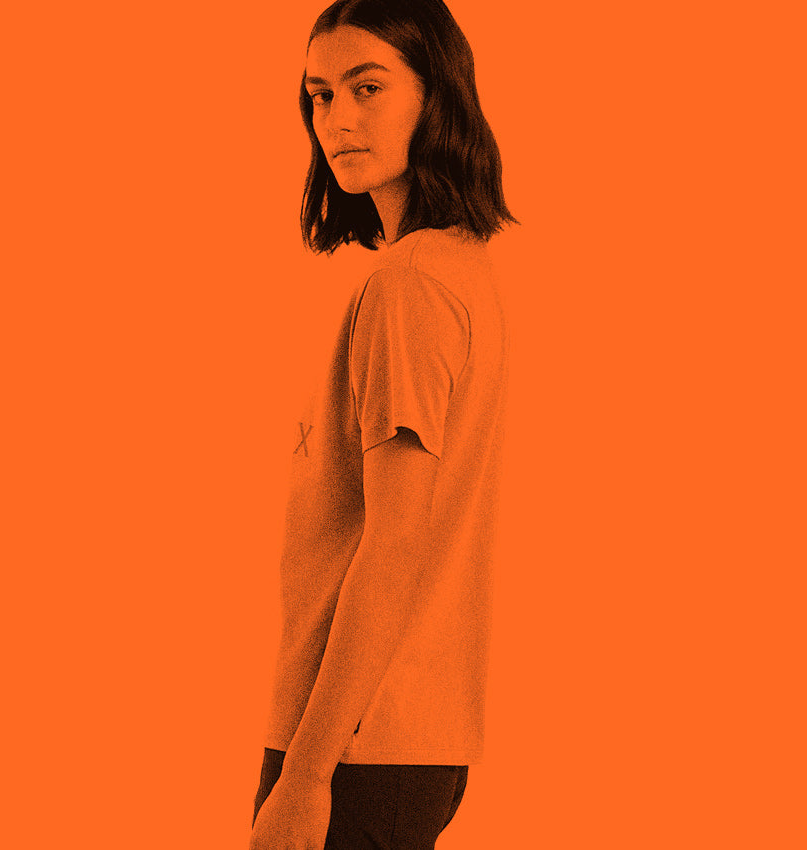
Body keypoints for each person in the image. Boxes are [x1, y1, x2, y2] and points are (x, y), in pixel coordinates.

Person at [250, 1, 517, 847]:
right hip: (406, 736)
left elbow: (394, 544)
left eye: (368, 87)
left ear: (438, 96)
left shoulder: (410, 287)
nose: (338, 120)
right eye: (320, 95)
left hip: (356, 747)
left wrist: (305, 776)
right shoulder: (460, 268)